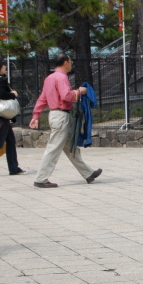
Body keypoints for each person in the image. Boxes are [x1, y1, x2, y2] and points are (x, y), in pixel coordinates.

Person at [29, 53, 101, 188]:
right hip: (62, 116)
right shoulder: (62, 77)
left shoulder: (50, 78)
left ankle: (88, 173)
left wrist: (36, 115)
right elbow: (67, 96)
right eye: (70, 60)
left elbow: (42, 98)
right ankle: (41, 178)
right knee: (54, 147)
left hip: (55, 115)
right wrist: (80, 91)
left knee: (70, 147)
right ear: (65, 63)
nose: (72, 62)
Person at [0, 57, 27, 175]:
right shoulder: (1, 80)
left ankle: (14, 168)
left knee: (11, 141)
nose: (5, 67)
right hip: (1, 117)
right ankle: (13, 168)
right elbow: (2, 94)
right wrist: (13, 94)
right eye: (3, 65)